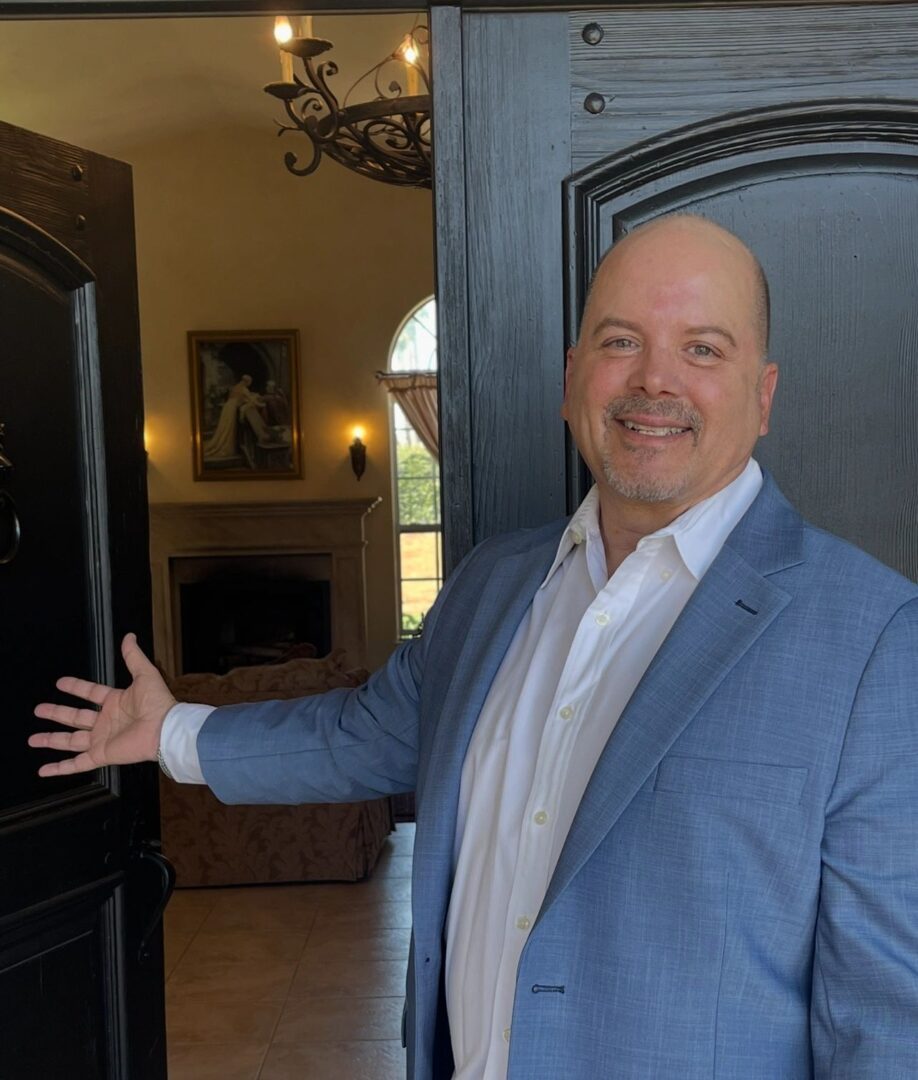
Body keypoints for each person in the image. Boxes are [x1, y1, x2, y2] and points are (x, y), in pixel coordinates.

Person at [31, 216, 918, 1079]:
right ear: (574, 378)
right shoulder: (494, 582)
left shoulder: (875, 639)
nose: (655, 380)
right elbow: (367, 732)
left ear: (763, 396)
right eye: (619, 342)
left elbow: (889, 1013)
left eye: (703, 349)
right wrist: (172, 732)